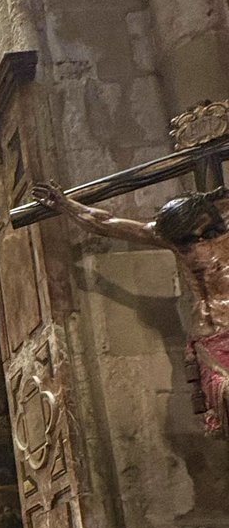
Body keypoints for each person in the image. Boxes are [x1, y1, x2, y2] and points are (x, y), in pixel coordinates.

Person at [32, 181, 229, 430]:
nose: (196, 242)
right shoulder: (176, 238)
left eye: (203, 232)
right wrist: (64, 204)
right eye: (188, 240)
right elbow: (105, 223)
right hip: (209, 337)